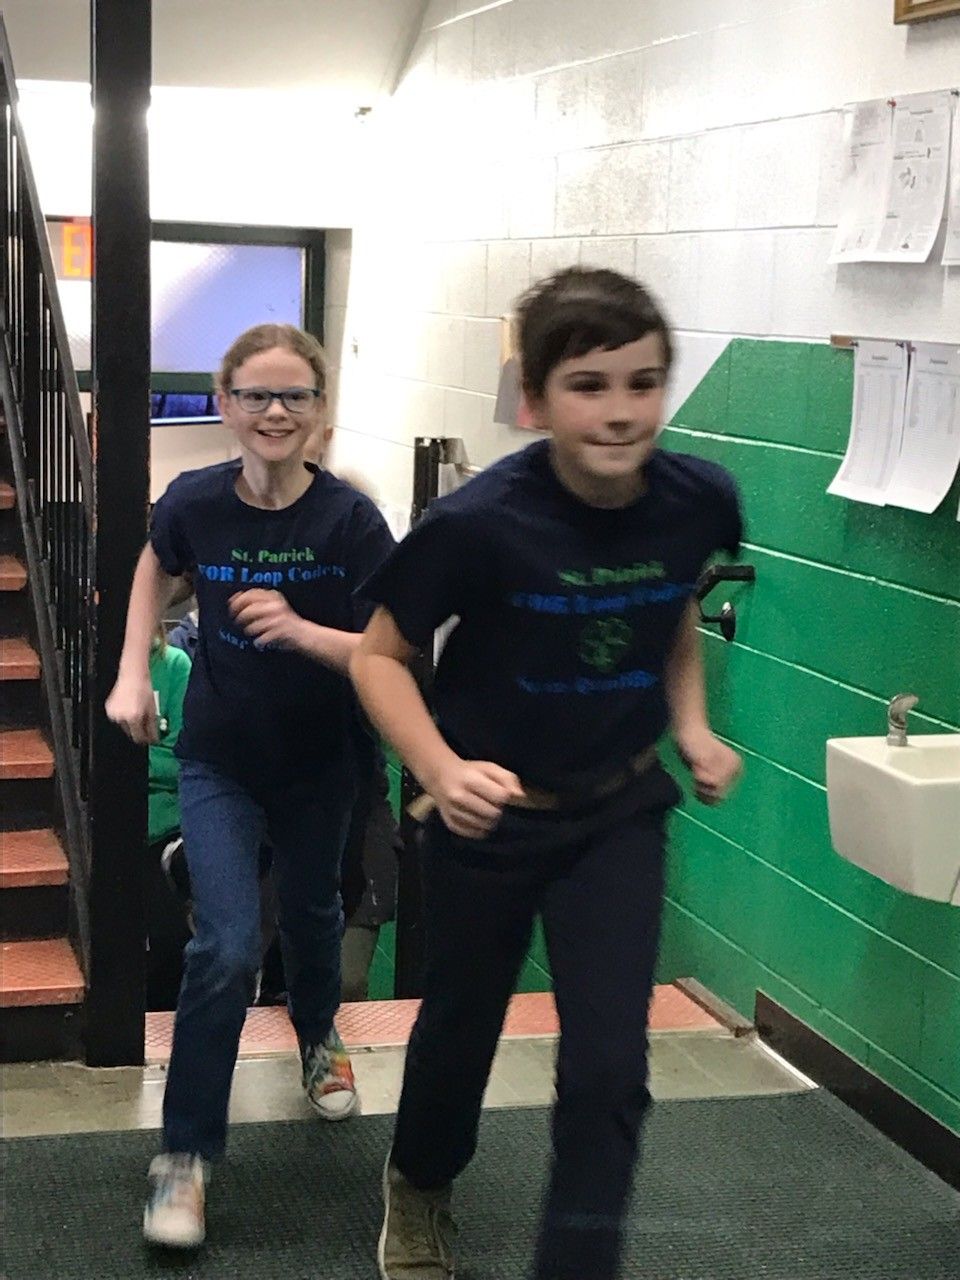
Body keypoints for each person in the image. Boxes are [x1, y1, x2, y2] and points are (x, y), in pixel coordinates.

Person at [350, 267, 744, 1280]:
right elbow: (377, 655)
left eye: (643, 382)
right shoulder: (479, 520)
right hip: (491, 823)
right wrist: (438, 763)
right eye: (591, 384)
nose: (621, 412)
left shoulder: (698, 499)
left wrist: (691, 726)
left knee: (610, 1066)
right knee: (459, 1034)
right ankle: (421, 1181)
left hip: (617, 812)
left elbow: (673, 609)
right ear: (536, 399)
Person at [106, 322, 395, 1250]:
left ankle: (317, 1036)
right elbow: (157, 561)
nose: (276, 412)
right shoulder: (195, 501)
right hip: (220, 758)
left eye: (296, 397)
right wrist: (133, 666)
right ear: (225, 405)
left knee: (312, 918)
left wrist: (305, 632)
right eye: (257, 395)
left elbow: (398, 651)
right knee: (225, 944)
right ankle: (184, 1160)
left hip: (322, 762)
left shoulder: (349, 523)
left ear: (320, 414)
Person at [145, 626, 192, 1010]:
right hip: (107, 831)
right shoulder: (84, 662)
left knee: (171, 946)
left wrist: (127, 762)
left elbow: (181, 758)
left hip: (165, 831)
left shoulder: (175, 665)